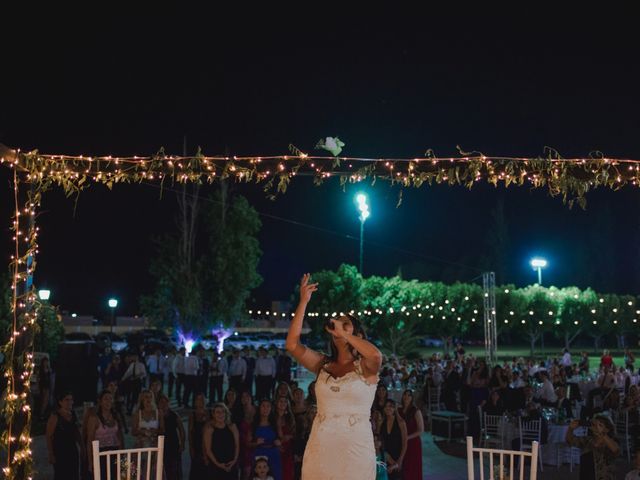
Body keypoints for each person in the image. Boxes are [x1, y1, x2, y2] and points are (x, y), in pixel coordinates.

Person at [287, 273, 382, 480]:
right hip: (321, 444)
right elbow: (292, 345)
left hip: (355, 448)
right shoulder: (323, 364)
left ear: (357, 334)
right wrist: (303, 302)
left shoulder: (366, 366)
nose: (338, 325)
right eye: (336, 323)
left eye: (345, 322)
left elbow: (375, 355)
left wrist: (346, 334)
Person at [86, 390, 124, 479]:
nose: (108, 401)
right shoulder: (94, 418)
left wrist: (122, 455)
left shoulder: (116, 416)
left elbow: (120, 437)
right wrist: (90, 461)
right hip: (100, 451)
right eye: (106, 399)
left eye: (110, 399)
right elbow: (89, 441)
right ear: (100, 401)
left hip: (115, 451)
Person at [566, 416, 620, 480]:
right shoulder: (588, 440)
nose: (596, 427)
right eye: (594, 424)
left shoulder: (611, 441)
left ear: (607, 429)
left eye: (600, 425)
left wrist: (601, 433)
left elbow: (616, 450)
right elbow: (570, 440)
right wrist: (571, 428)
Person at [46, 391, 82, 480]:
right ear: (60, 402)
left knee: (74, 474)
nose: (70, 402)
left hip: (72, 449)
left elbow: (76, 432)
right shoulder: (55, 416)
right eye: (67, 400)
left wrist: (82, 447)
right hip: (60, 451)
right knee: (61, 475)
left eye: (71, 400)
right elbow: (49, 436)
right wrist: (51, 453)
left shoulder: (73, 414)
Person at [204, 402, 240, 479]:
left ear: (226, 413)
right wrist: (218, 464)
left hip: (231, 464)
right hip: (216, 466)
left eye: (223, 411)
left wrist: (234, 461)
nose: (220, 414)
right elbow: (208, 450)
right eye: (218, 412)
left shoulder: (232, 427)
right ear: (213, 414)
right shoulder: (209, 429)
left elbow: (237, 446)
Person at [158, 394, 185, 480]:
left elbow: (181, 430)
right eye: (161, 402)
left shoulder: (174, 415)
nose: (164, 404)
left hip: (173, 444)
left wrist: (182, 443)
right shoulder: (156, 416)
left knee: (174, 468)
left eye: (166, 402)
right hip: (162, 444)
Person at [398, 390, 423, 480]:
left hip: (413, 443)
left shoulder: (416, 411)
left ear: (412, 398)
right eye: (405, 394)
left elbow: (421, 430)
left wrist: (407, 437)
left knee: (413, 467)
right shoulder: (399, 411)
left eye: (409, 395)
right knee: (404, 466)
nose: (406, 397)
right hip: (402, 442)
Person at [188, 392, 210, 480]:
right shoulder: (192, 415)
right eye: (198, 399)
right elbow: (190, 433)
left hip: (207, 444)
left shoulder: (210, 413)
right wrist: (191, 448)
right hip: (196, 444)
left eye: (202, 399)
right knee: (196, 469)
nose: (200, 401)